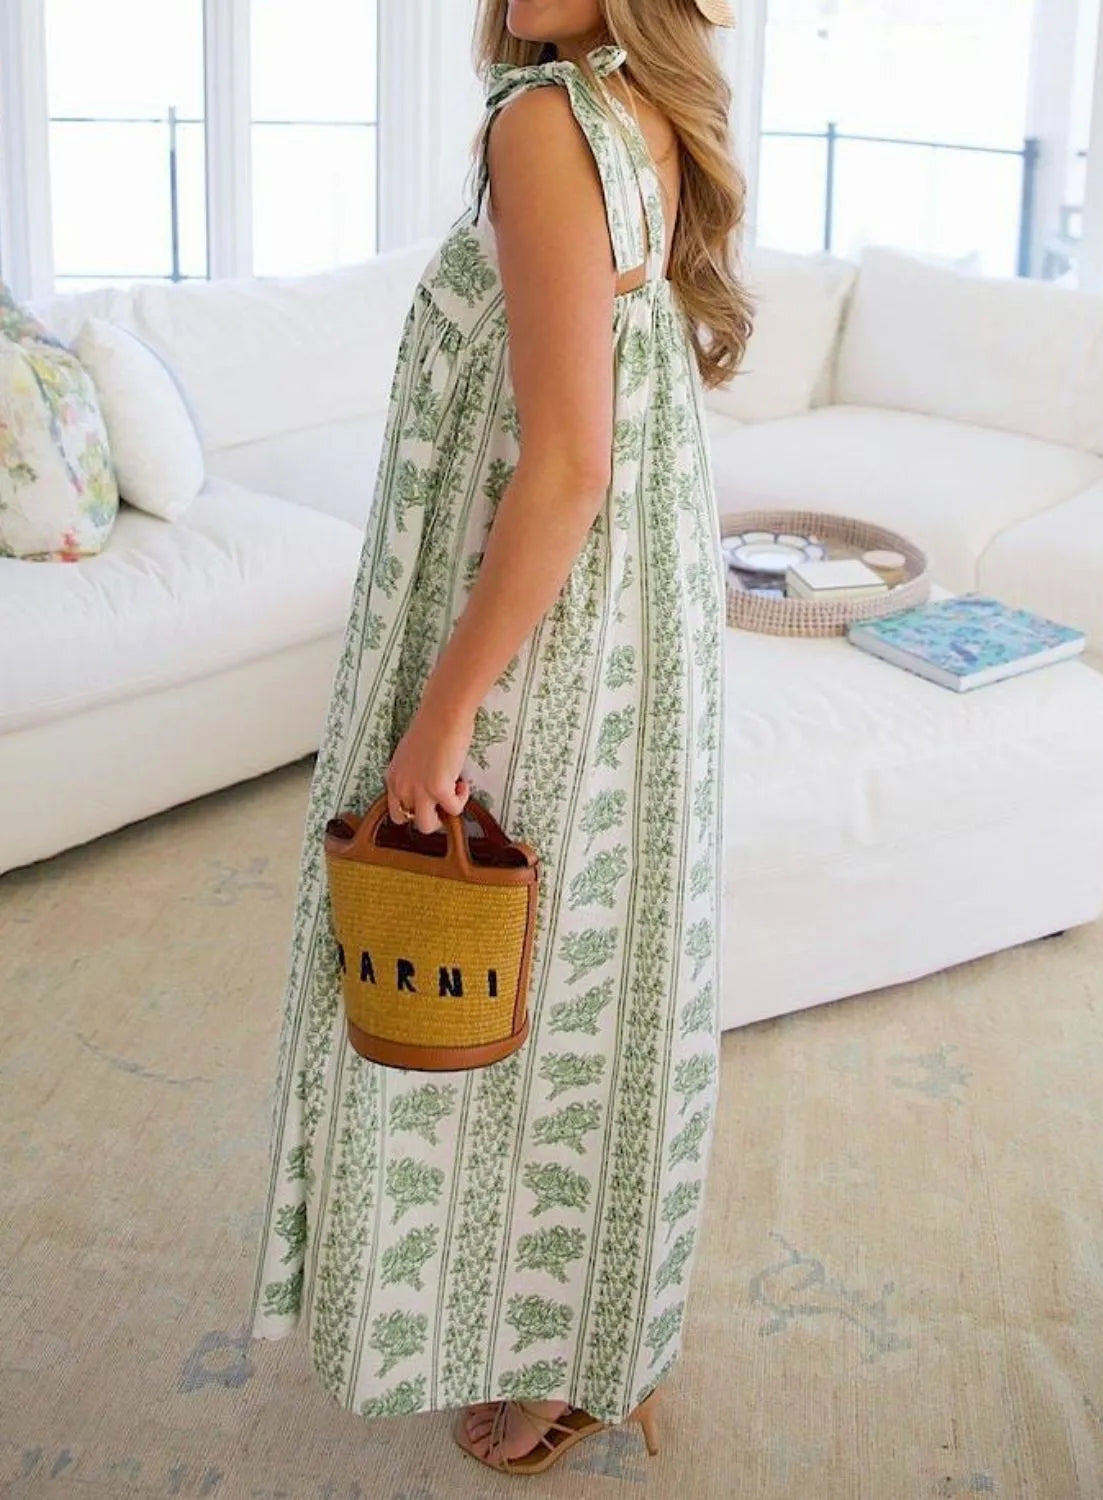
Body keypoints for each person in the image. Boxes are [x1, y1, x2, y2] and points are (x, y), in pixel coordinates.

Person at [247, 0, 755, 1476]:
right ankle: (595, 1339)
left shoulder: (544, 127)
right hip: (630, 632)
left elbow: (567, 464)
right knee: (587, 984)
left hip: (534, 634)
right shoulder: (635, 107)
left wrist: (442, 710)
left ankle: (534, 1353)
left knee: (469, 974)